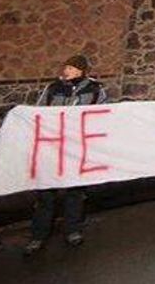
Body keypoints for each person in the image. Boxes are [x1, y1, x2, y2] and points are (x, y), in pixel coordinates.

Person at [24, 55, 107, 256]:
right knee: (46, 193)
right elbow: (39, 112)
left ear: (81, 70)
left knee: (75, 192)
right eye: (66, 67)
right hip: (52, 147)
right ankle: (38, 235)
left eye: (71, 68)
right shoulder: (54, 88)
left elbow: (103, 113)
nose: (66, 71)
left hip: (77, 148)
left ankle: (73, 229)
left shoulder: (95, 90)